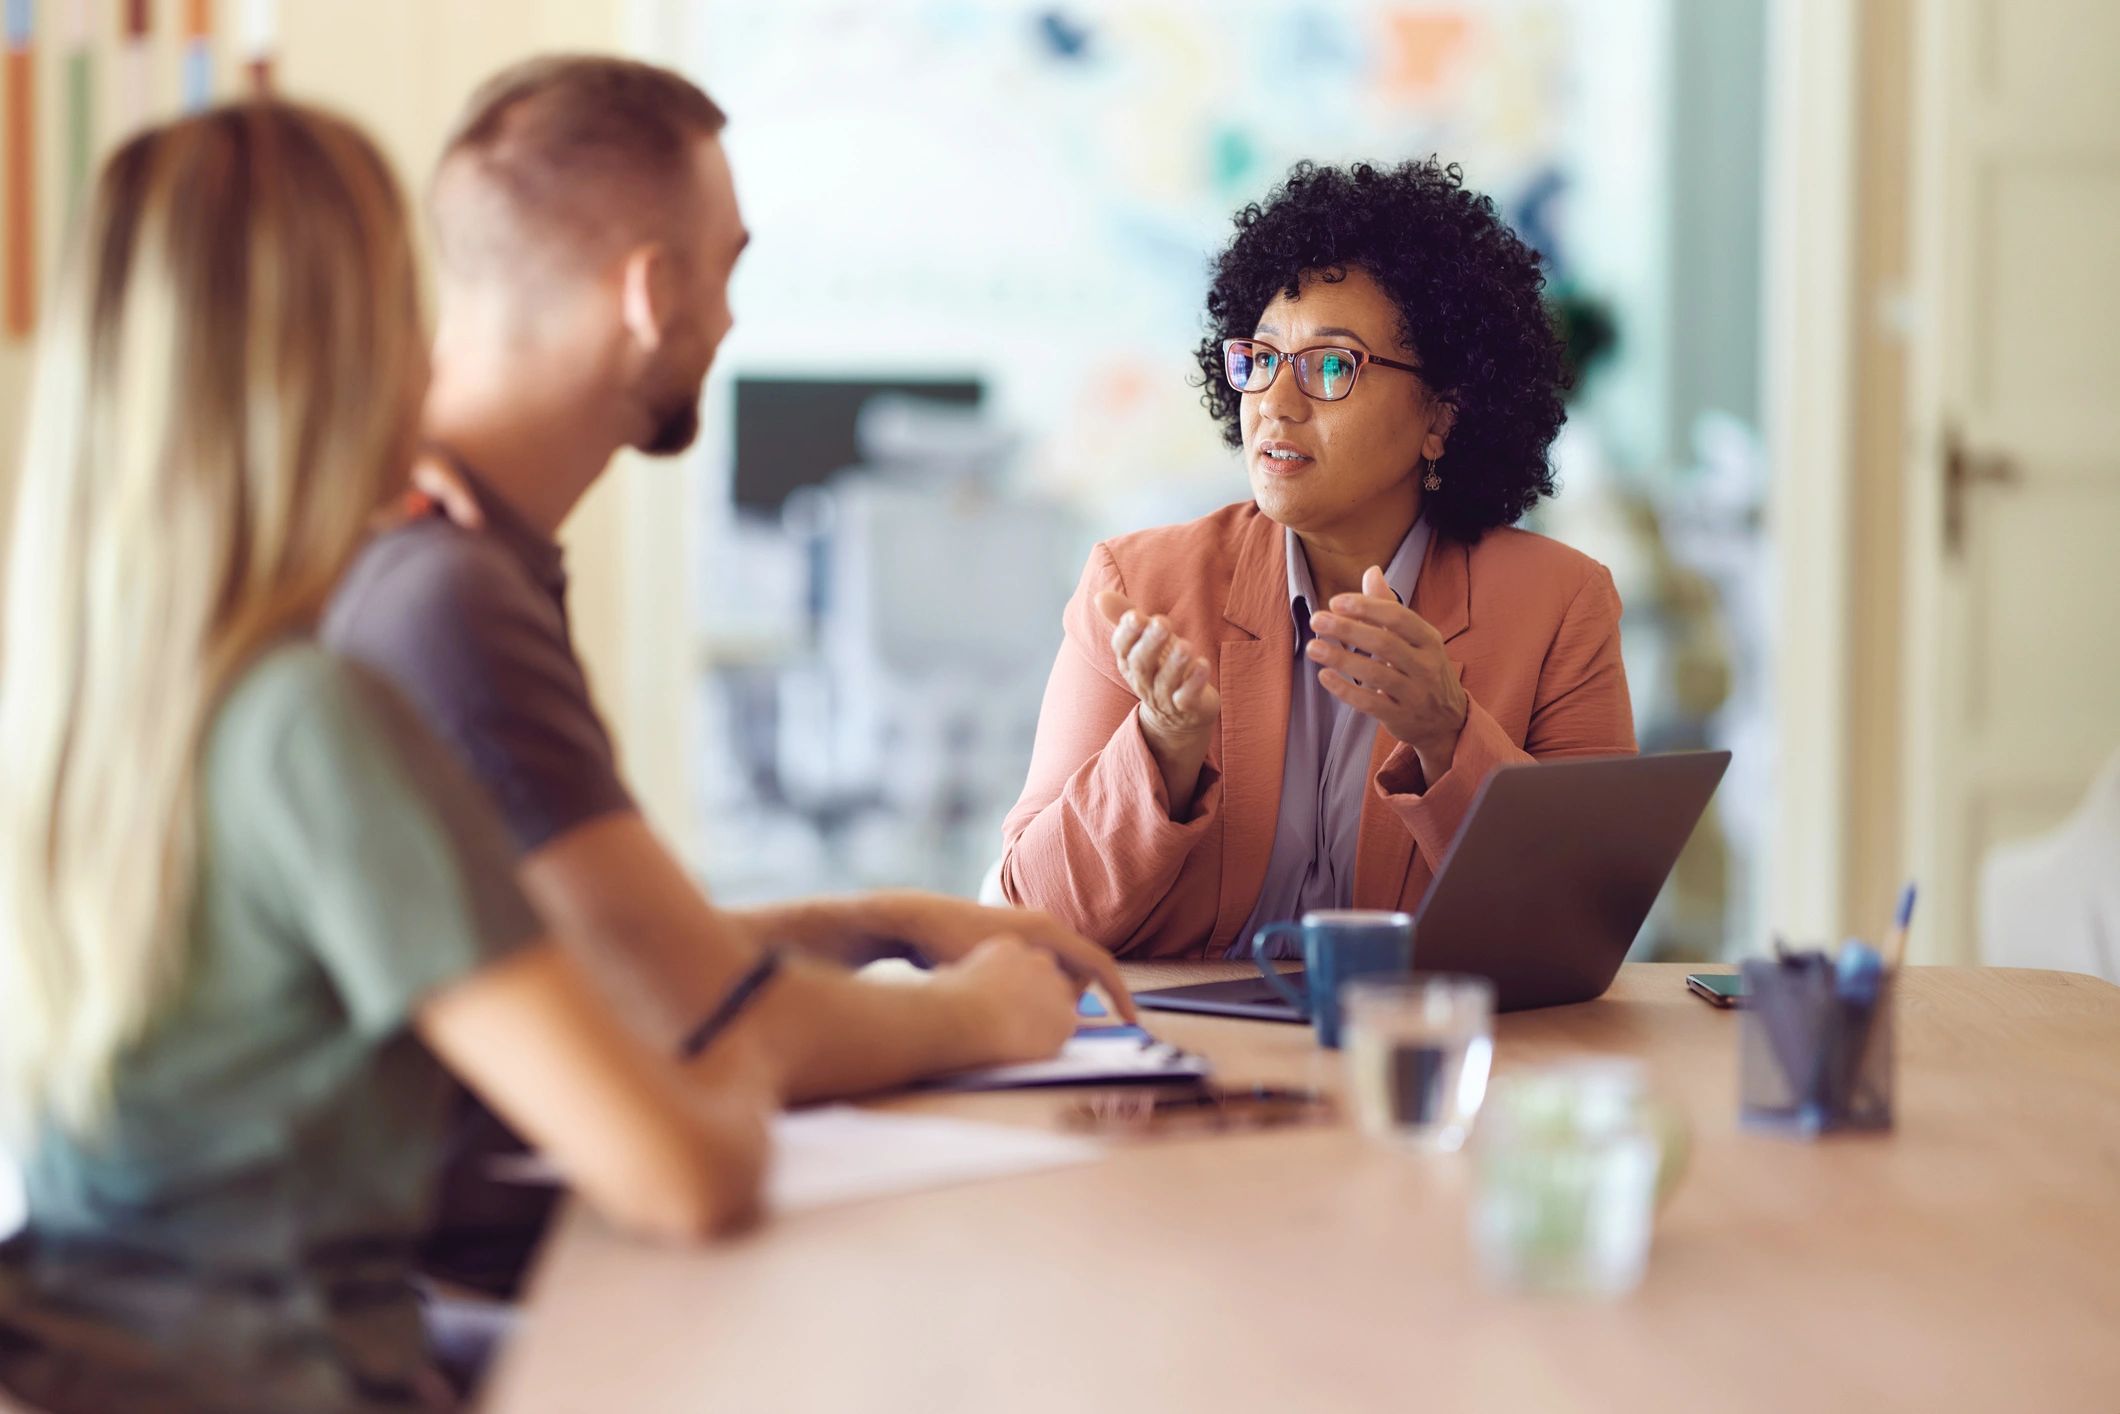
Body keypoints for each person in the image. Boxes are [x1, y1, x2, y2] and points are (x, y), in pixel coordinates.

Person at [0, 102, 768, 1414]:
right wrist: (746, 1073)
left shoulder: (88, 695)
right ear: (349, 350)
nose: (428, 358)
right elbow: (678, 1174)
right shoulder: (311, 725)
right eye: (404, 312)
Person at [319, 54, 1124, 1273]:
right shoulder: (443, 596)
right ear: (648, 292)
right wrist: (978, 1016)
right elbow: (700, 1011)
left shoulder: (458, 552)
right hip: (423, 1287)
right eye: (727, 266)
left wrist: (883, 920)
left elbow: (617, 937)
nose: (734, 317)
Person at [1001, 159, 1637, 958]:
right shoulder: (1139, 589)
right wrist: (1161, 750)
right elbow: (1034, 921)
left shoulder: (1561, 604)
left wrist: (1449, 736)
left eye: (1332, 365)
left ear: (1442, 415)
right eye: (1260, 359)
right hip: (1186, 1068)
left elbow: (1584, 931)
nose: (1275, 400)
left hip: (1424, 1058)